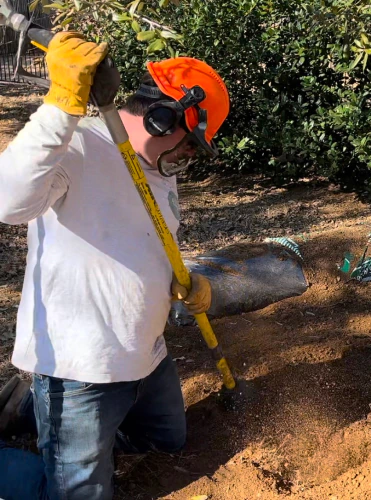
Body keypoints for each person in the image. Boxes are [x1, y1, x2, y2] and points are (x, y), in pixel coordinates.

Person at [0, 31, 230, 499]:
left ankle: (27, 413)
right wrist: (61, 105)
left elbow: (144, 238)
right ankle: (52, 440)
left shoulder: (158, 168)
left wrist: (179, 279)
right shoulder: (77, 146)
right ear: (165, 119)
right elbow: (8, 202)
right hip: (81, 368)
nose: (191, 155)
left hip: (145, 354)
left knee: (168, 440)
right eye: (192, 143)